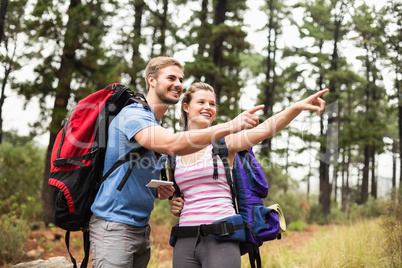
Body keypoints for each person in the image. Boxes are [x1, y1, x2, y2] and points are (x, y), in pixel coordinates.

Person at [89, 56, 263, 268]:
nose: (178, 84)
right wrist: (230, 126)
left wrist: (165, 194)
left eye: (181, 79)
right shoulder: (134, 115)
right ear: (151, 80)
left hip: (140, 228)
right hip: (113, 225)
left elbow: (135, 174)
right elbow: (173, 144)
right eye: (171, 77)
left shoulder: (156, 124)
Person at [169, 82, 328, 268]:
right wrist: (174, 201)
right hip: (184, 239)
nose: (208, 107)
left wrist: (296, 107)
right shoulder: (174, 150)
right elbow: (177, 192)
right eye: (201, 102)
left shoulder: (224, 143)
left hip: (222, 236)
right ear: (186, 107)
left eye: (212, 104)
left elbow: (266, 129)